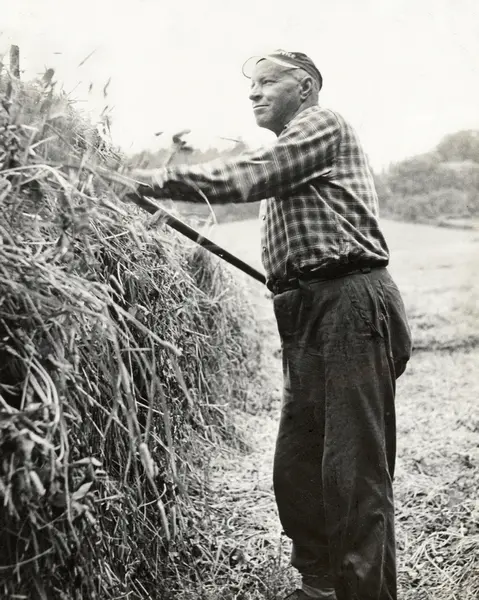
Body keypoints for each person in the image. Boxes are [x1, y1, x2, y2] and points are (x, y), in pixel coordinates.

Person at [126, 50, 413, 600]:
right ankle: (320, 584)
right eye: (251, 85)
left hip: (350, 302)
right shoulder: (294, 154)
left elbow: (251, 174)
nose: (253, 93)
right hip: (304, 310)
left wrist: (151, 180)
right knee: (299, 464)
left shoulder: (321, 125)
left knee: (352, 468)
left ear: (304, 87)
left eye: (266, 82)